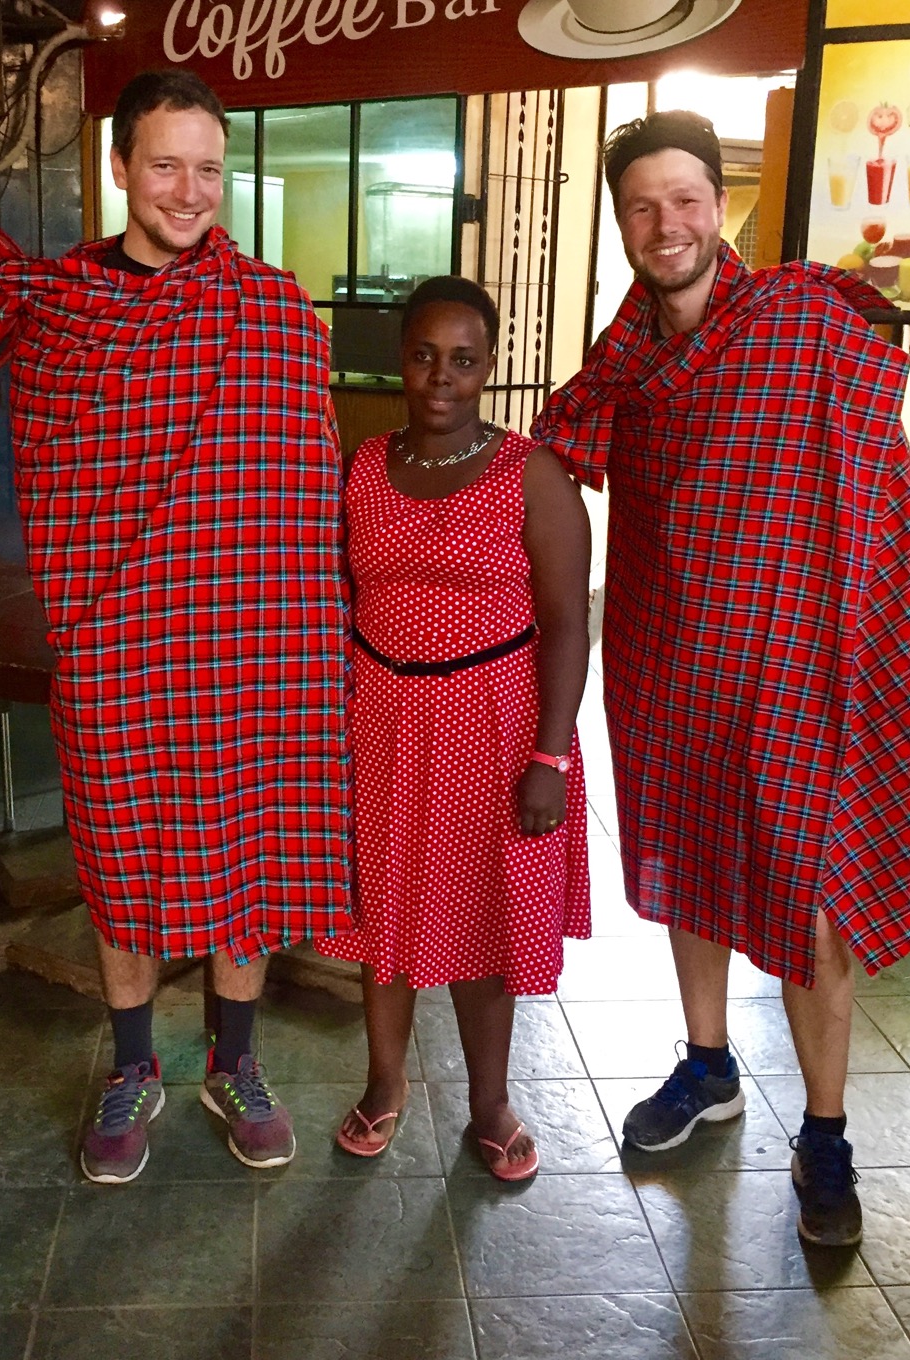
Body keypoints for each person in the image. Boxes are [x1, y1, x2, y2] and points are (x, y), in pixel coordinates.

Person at [531, 111, 910, 1244]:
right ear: (620, 220)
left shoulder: (802, 318)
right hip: (668, 654)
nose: (663, 223)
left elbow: (879, 477)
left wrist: (869, 634)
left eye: (682, 199)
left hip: (796, 659)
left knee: (815, 895)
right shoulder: (625, 355)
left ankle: (824, 1132)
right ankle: (709, 1064)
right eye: (640, 205)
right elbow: (552, 456)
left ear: (716, 205)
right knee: (688, 862)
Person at [0, 69, 352, 1183]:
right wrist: (85, 630)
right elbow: (51, 484)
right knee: (122, 857)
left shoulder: (274, 308)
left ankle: (235, 1060)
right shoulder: (57, 320)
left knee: (249, 850)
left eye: (207, 169)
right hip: (118, 644)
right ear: (120, 167)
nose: (189, 192)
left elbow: (304, 475)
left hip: (252, 641)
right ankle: (134, 1065)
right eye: (165, 164)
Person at [314, 276, 591, 1181]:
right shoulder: (362, 465)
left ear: (489, 367)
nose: (442, 376)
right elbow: (339, 599)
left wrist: (550, 754)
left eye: (464, 359)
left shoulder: (530, 474)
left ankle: (490, 1101)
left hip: (494, 725)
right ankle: (385, 1085)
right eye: (425, 355)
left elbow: (565, 622)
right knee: (382, 916)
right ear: (401, 360)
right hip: (382, 719)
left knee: (480, 922)